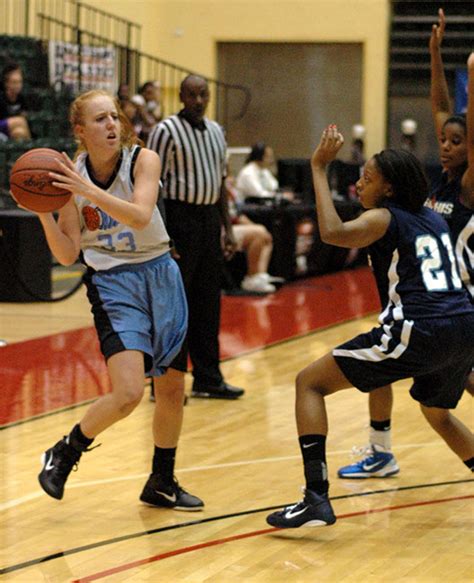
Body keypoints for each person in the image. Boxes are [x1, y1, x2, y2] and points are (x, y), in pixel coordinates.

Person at [266, 126, 474, 529]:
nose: (359, 182)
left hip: (423, 326)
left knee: (309, 383)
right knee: (438, 413)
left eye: (367, 178)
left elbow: (331, 232)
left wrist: (318, 168)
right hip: (465, 325)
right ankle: (380, 451)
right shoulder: (431, 217)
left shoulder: (382, 217)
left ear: (390, 189)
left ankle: (315, 497)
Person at [25, 90, 203, 510]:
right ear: (80, 130)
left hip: (161, 272)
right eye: (100, 119)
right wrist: (42, 212)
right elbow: (69, 254)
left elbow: (140, 215)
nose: (111, 125)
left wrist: (84, 188)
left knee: (172, 387)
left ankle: (161, 479)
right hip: (113, 283)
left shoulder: (143, 160)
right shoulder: (70, 181)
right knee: (128, 393)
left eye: (114, 117)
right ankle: (66, 450)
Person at [337, 13, 474, 480]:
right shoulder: (432, 185)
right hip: (414, 290)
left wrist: (472, 76)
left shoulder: (469, 187)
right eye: (444, 140)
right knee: (383, 363)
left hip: (458, 296)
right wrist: (435, 53)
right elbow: (441, 107)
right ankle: (380, 449)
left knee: (456, 380)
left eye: (458, 141)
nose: (447, 146)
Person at [147, 74, 245, 400]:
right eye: (192, 95)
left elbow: (219, 183)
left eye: (203, 95)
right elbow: (154, 186)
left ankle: (208, 378)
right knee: (175, 305)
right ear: (181, 97)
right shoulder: (165, 131)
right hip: (179, 219)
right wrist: (163, 235)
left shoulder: (217, 131)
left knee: (208, 303)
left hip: (207, 221)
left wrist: (227, 229)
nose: (198, 101)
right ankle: (165, 381)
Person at [226, 173, 283, 294]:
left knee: (266, 236)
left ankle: (260, 275)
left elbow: (236, 214)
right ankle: (251, 278)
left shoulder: (229, 188)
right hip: (222, 229)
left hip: (231, 226)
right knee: (258, 234)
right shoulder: (221, 188)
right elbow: (233, 216)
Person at [0, 63, 31, 141]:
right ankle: (32, 149)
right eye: (14, 82)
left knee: (19, 132)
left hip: (10, 130)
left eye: (19, 82)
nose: (18, 86)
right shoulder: (1, 97)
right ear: (7, 83)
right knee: (20, 121)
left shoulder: (22, 98)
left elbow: (25, 114)